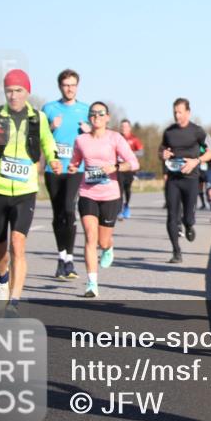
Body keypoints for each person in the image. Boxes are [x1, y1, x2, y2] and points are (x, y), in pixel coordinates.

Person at [0, 69, 61, 314]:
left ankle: (15, 301)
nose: (13, 95)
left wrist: (53, 159)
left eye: (18, 90)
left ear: (27, 91)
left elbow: (48, 143)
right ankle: (2, 280)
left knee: (18, 244)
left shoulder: (38, 118)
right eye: (9, 90)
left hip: (25, 190)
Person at [67, 102, 139, 297]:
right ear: (89, 117)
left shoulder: (115, 138)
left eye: (101, 113)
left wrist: (115, 167)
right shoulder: (81, 140)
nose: (96, 116)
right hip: (87, 193)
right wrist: (72, 167)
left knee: (102, 240)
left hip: (110, 196)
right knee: (90, 237)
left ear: (107, 117)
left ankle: (109, 248)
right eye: (93, 113)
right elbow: (75, 161)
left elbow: (134, 163)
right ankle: (92, 284)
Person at [41, 69, 90, 281]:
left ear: (77, 86)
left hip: (74, 169)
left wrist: (88, 131)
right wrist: (51, 127)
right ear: (60, 87)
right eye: (66, 85)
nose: (69, 88)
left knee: (70, 210)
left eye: (73, 85)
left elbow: (95, 139)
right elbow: (38, 137)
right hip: (53, 169)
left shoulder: (86, 110)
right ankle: (62, 258)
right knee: (58, 213)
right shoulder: (49, 109)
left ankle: (70, 258)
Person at [160, 98, 211, 262]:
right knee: (171, 216)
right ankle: (176, 252)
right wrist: (164, 154)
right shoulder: (169, 132)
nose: (177, 115)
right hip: (173, 179)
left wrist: (196, 161)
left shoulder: (197, 131)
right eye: (175, 112)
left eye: (180, 112)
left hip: (191, 179)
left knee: (188, 217)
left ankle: (189, 224)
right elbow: (162, 150)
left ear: (188, 113)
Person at [117, 119, 144, 219]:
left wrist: (131, 154)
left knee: (127, 188)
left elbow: (141, 152)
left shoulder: (134, 139)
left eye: (126, 126)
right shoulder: (117, 137)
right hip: (119, 167)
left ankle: (126, 206)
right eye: (122, 126)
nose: (124, 128)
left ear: (129, 128)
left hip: (130, 167)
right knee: (119, 187)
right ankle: (119, 210)